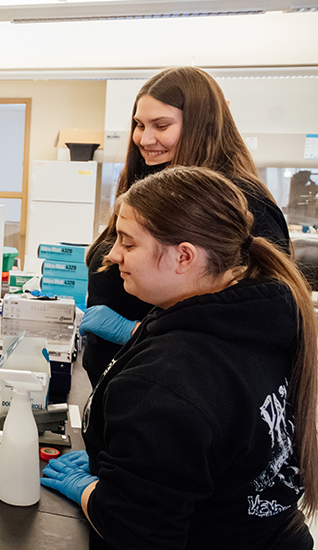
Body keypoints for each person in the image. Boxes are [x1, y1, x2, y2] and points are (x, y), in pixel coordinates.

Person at [41, 166, 317, 549]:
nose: (113, 255)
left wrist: (95, 494)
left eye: (128, 242)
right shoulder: (264, 315)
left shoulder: (168, 381)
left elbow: (139, 533)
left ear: (184, 257)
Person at [80, 66, 290, 387]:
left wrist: (138, 333)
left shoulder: (240, 201)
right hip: (123, 382)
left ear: (200, 126)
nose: (144, 139)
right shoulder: (153, 181)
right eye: (139, 125)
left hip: (172, 388)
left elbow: (257, 324)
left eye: (161, 125)